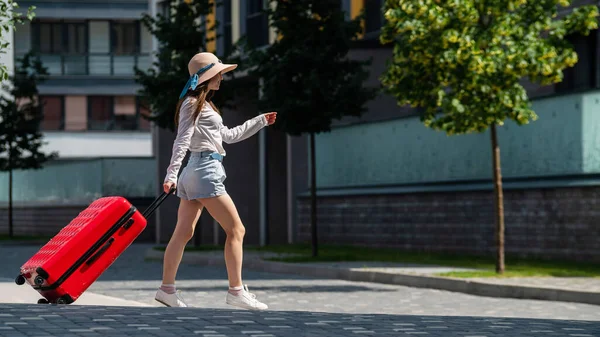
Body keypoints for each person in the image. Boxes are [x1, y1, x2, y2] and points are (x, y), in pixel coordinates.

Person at [154, 52, 277, 310]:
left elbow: (229, 136)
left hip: (196, 172)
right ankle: (236, 291)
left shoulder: (206, 106)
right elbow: (182, 140)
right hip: (203, 171)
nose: (221, 77)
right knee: (236, 230)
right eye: (218, 73)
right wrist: (170, 173)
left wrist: (259, 121)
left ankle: (167, 289)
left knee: (183, 233)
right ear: (207, 76)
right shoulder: (192, 104)